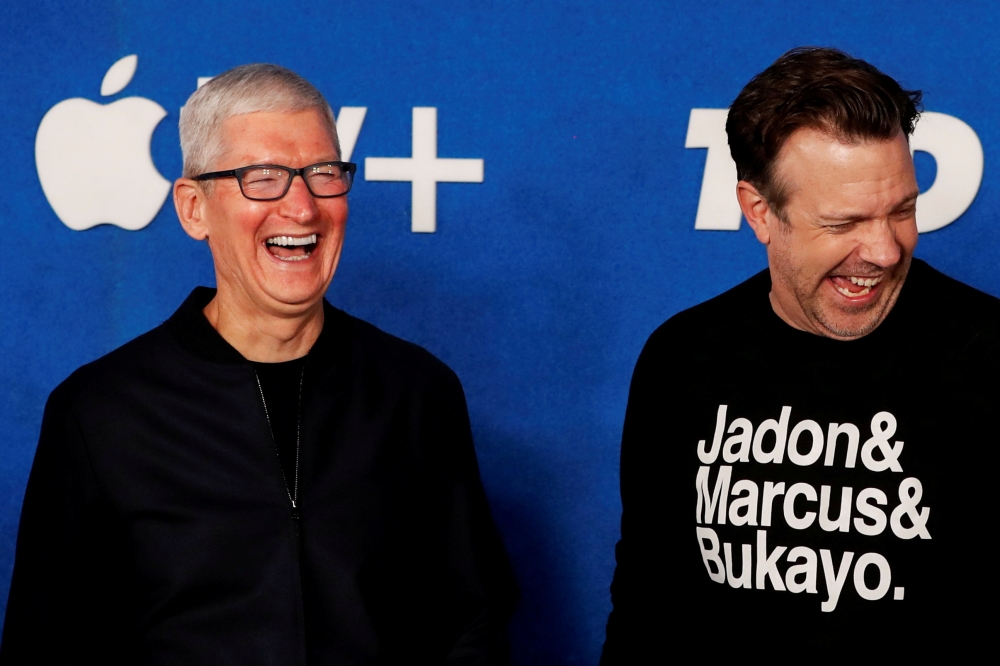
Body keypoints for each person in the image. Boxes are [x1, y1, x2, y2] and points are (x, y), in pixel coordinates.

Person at [0, 64, 516, 665]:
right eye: (262, 178)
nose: (302, 208)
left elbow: (472, 621)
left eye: (323, 174)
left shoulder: (417, 392)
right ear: (194, 209)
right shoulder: (99, 413)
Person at [601, 47, 998, 661]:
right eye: (843, 223)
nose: (885, 251)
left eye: (903, 211)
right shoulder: (683, 359)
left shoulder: (990, 356)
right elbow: (648, 604)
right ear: (760, 211)